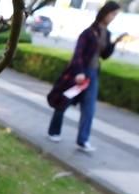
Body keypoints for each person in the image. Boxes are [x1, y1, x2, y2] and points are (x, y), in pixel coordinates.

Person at [46, 1, 127, 153]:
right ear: (105, 12)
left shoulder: (106, 33)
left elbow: (104, 55)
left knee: (89, 109)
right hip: (79, 74)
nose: (113, 17)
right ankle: (54, 131)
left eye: (115, 15)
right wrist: (79, 72)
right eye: (112, 14)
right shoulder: (88, 32)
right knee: (64, 102)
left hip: (93, 75)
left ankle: (83, 140)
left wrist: (115, 42)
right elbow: (78, 54)